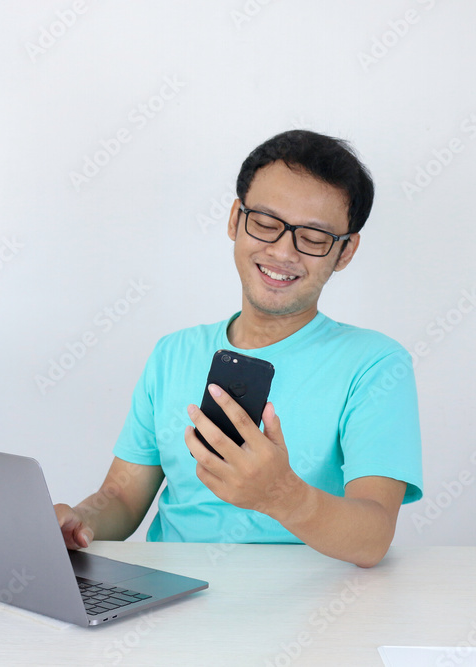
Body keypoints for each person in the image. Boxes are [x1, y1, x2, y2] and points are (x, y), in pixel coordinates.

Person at [54, 130, 423, 567]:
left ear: (345, 252)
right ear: (235, 219)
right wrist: (77, 522)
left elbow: (373, 536)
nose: (283, 251)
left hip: (310, 611)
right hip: (167, 600)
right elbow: (121, 495)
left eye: (314, 237)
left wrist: (283, 496)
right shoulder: (173, 353)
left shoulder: (376, 365)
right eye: (265, 224)